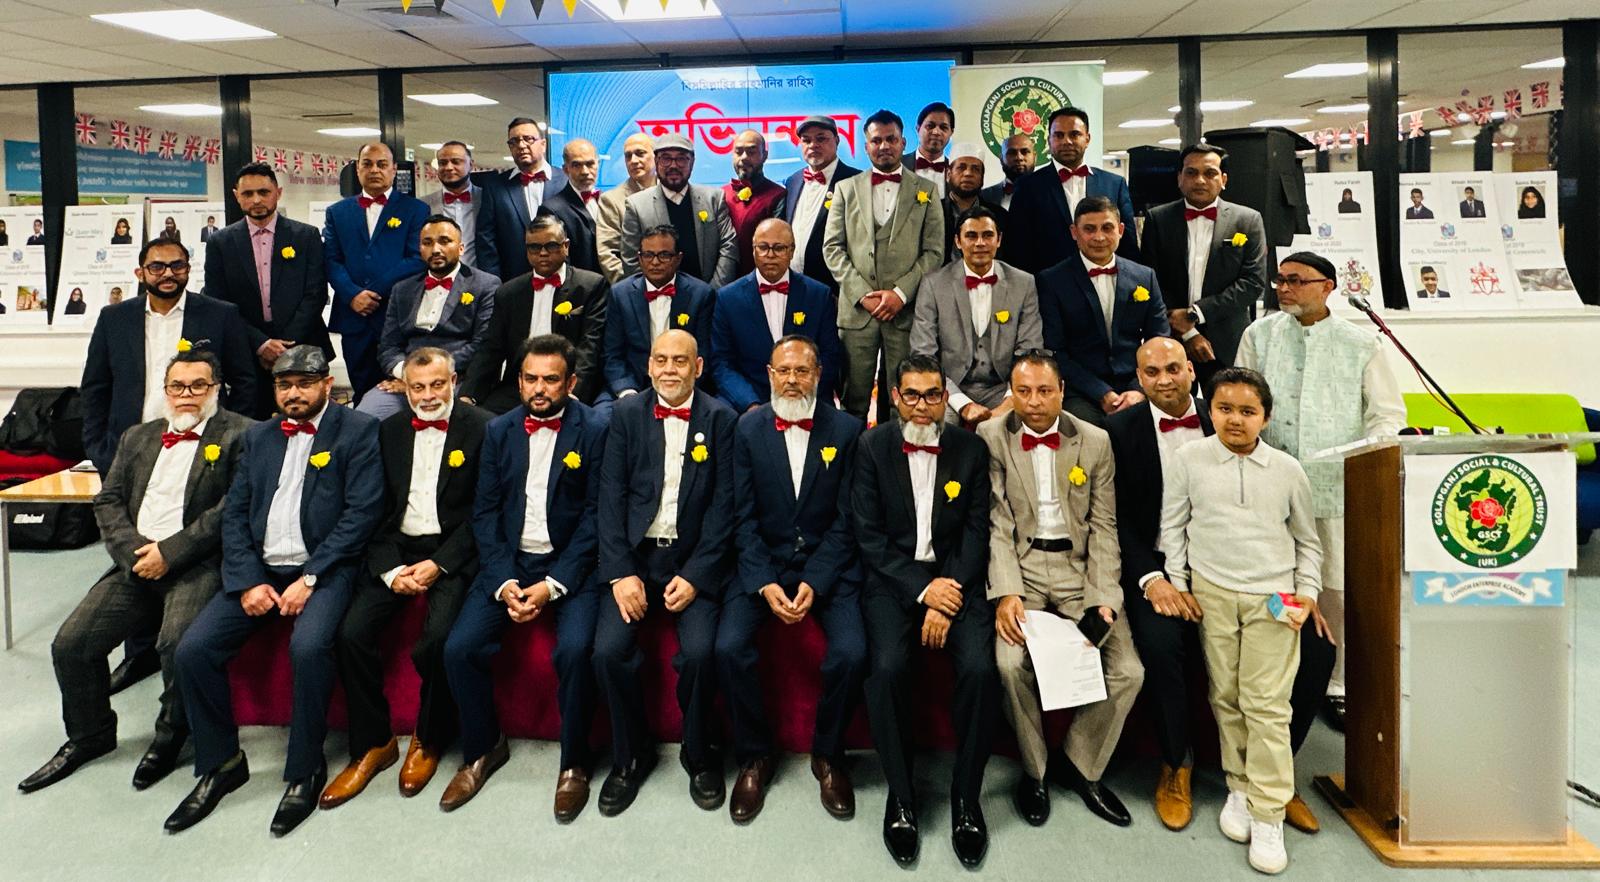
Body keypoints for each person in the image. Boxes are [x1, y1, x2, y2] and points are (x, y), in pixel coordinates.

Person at [1106, 337, 1335, 836]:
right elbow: (1116, 520)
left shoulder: (1230, 413)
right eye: (1150, 372)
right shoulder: (1119, 431)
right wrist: (1157, 581)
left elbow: (1299, 534)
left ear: (1192, 371)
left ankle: (1275, 775)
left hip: (1260, 578)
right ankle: (1177, 764)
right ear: (1137, 379)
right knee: (1162, 644)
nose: (1164, 379)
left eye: (1173, 368)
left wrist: (1306, 591)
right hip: (1161, 567)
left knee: (1318, 648)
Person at [166, 346, 383, 837]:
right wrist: (247, 580)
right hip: (261, 569)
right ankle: (221, 763)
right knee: (193, 651)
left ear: (327, 385)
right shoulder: (258, 437)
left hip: (325, 569)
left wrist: (310, 578)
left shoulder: (358, 430)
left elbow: (362, 514)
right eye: (285, 385)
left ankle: (305, 768)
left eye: (305, 383)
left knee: (308, 647)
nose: (294, 393)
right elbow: (235, 515)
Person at [17, 351, 251, 795]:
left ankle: (171, 736)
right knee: (71, 644)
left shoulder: (242, 434)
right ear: (165, 391)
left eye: (198, 385)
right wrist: (134, 551)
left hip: (197, 563)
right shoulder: (138, 436)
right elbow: (108, 501)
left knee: (177, 645)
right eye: (177, 386)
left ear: (216, 389)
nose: (186, 394)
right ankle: (90, 735)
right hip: (137, 561)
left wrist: (170, 552)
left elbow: (232, 508)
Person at [1157, 366, 1323, 875]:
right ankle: (1239, 785)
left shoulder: (1288, 470)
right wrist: (1180, 583)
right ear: (1209, 411)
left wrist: (1307, 592)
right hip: (1212, 593)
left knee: (1266, 704)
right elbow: (1173, 526)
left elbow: (1308, 542)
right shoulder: (1189, 460)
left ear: (1265, 418)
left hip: (1274, 597)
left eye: (1248, 411)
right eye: (1225, 408)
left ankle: (1269, 812)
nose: (1235, 419)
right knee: (1226, 696)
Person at [438, 335, 608, 818]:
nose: (539, 388)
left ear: (570, 383)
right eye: (530, 378)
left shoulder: (596, 429)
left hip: (570, 566)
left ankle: (574, 762)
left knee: (575, 651)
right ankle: (484, 747)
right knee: (459, 648)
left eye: (551, 379)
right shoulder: (499, 430)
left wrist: (553, 585)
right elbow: (485, 511)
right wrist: (503, 580)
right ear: (518, 381)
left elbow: (597, 517)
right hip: (508, 564)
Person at [1236, 252, 1406, 732]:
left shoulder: (1361, 342)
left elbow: (1387, 414)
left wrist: (1364, 456)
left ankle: (1336, 683)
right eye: (1280, 280)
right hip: (1268, 483)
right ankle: (1279, 674)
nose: (1284, 289)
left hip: (1333, 487)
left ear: (1327, 286)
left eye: (1296, 281)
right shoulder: (1259, 335)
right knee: (1271, 580)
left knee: (1333, 587)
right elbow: (1239, 398)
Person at [321, 349, 490, 811]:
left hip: (452, 551)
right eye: (418, 387)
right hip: (396, 550)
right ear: (405, 389)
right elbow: (371, 507)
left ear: (453, 381)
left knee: (437, 640)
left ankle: (428, 737)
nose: (428, 395)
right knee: (351, 633)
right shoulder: (387, 431)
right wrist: (391, 569)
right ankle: (374, 742)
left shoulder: (483, 428)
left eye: (437, 385)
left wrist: (441, 564)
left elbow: (485, 512)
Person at [982, 352, 1142, 830]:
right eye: (1023, 392)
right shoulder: (991, 435)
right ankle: (1035, 771)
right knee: (1009, 664)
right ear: (1011, 393)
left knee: (1129, 671)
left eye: (1044, 391)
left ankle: (1080, 764)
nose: (1034, 402)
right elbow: (996, 522)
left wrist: (1104, 597)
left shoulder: (1095, 440)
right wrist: (1006, 591)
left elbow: (1105, 526)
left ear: (1062, 391)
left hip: (1079, 570)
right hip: (1023, 569)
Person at [852, 355, 996, 869]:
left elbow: (977, 531)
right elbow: (869, 537)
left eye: (932, 395)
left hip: (957, 580)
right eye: (911, 394)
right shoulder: (871, 447)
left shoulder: (970, 449)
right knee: (887, 668)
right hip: (894, 582)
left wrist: (947, 591)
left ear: (944, 399)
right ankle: (902, 793)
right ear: (895, 397)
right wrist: (923, 590)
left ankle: (966, 796)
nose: (921, 405)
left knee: (981, 670)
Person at [716, 335, 866, 823]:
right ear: (769, 373)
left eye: (802, 371)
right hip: (763, 564)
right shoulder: (746, 428)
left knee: (852, 653)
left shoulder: (847, 430)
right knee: (728, 647)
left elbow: (848, 520)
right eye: (783, 371)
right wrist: (764, 581)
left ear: (819, 374)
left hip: (828, 566)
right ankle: (755, 755)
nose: (792, 380)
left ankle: (828, 753)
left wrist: (816, 581)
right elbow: (740, 517)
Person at [593, 330, 737, 816]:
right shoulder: (626, 416)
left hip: (692, 560)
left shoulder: (721, 419)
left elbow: (724, 509)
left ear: (698, 368)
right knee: (607, 652)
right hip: (635, 559)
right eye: (661, 360)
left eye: (680, 360)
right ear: (649, 366)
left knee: (700, 653)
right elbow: (609, 498)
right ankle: (630, 755)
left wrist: (696, 575)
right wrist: (620, 574)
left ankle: (699, 754)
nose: (670, 369)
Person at [81, 237, 256, 476]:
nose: (168, 273)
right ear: (140, 273)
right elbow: (95, 388)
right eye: (157, 267)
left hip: (204, 451)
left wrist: (230, 439)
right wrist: (98, 449)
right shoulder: (114, 318)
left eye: (177, 266)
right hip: (127, 451)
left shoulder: (220, 315)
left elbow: (245, 383)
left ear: (188, 269)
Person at [822, 108, 945, 422]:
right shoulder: (846, 189)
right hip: (857, 315)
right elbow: (832, 248)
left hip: (904, 314)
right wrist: (863, 294)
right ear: (866, 146)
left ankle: (896, 453)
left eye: (891, 139)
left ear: (903, 142)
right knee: (852, 401)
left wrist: (900, 294)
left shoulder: (927, 190)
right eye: (876, 140)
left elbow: (934, 252)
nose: (884, 146)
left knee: (902, 399)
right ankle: (850, 454)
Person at [203, 161, 331, 420]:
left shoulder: (305, 236)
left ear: (278, 193)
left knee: (309, 424)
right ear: (237, 196)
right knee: (251, 427)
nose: (257, 200)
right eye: (248, 193)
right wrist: (261, 344)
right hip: (247, 352)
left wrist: (284, 346)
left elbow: (316, 293)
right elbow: (217, 301)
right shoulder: (220, 243)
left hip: (303, 346)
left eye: (264, 192)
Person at [1139, 144, 1268, 389]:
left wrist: (1195, 314)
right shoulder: (1158, 219)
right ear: (1179, 178)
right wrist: (1186, 331)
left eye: (1209, 173)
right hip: (1170, 337)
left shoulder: (1248, 220)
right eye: (1191, 172)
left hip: (1227, 339)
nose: (1200, 180)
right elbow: (1150, 279)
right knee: (1170, 406)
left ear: (1223, 180)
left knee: (1227, 405)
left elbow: (1253, 283)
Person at [1036, 195, 1171, 426]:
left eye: (1107, 228)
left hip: (1136, 382)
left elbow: (1158, 339)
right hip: (1081, 390)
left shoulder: (1145, 276)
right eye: (1089, 229)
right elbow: (1055, 352)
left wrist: (1138, 389)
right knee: (1086, 430)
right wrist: (1101, 393)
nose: (1099, 237)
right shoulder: (1051, 281)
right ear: (1074, 232)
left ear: (1120, 230)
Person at [910, 205, 1041, 426]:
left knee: (1025, 420)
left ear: (999, 240)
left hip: (1004, 388)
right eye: (971, 236)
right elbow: (923, 354)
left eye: (987, 235)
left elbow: (1030, 350)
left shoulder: (1024, 283)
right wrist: (963, 404)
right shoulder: (933, 284)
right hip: (949, 388)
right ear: (958, 242)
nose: (980, 243)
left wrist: (1009, 401)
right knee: (937, 423)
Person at [463, 214, 610, 411]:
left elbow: (589, 348)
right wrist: (468, 394)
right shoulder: (508, 292)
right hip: (518, 386)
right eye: (534, 247)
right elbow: (491, 349)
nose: (543, 253)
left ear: (566, 246)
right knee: (481, 421)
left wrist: (573, 391)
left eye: (551, 246)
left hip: (566, 384)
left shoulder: (590, 286)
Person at [360, 215, 499, 419]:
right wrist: (409, 376)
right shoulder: (402, 289)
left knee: (462, 422)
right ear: (420, 249)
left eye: (444, 241)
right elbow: (388, 347)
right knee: (366, 417)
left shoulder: (485, 285)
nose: (435, 249)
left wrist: (428, 376)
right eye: (427, 243)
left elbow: (481, 346)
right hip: (406, 378)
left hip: (458, 378)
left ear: (461, 248)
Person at [322, 142, 429, 402]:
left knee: (403, 389)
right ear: (357, 169)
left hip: (396, 312)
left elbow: (416, 259)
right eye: (367, 164)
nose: (374, 170)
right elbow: (331, 260)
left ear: (393, 169)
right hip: (353, 315)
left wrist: (373, 292)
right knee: (361, 390)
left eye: (382, 164)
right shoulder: (337, 212)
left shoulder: (416, 209)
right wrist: (353, 294)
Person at [710, 218, 841, 412]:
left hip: (806, 395)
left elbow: (830, 356)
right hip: (751, 398)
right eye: (763, 247)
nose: (770, 255)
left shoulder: (819, 295)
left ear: (792, 251)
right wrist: (751, 403)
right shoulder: (727, 298)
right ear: (753, 250)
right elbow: (722, 363)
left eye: (779, 248)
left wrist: (800, 393)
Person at [1008, 107, 1138, 274]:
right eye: (1059, 135)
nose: (1067, 141)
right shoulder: (1027, 186)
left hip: (1106, 279)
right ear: (1049, 141)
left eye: (1074, 134)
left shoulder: (1114, 184)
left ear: (1087, 139)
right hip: (1048, 283)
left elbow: (1128, 243)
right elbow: (1018, 246)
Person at [603, 225, 716, 401]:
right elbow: (612, 355)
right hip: (633, 385)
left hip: (684, 386)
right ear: (639, 258)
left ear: (678, 259)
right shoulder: (620, 294)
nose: (655, 262)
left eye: (664, 255)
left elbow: (703, 355)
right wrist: (627, 392)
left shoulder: (700, 295)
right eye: (648, 255)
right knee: (601, 415)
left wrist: (679, 392)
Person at [620, 134, 738, 288]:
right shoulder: (636, 205)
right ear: (656, 161)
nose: (673, 165)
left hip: (710, 294)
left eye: (681, 159)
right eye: (666, 159)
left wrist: (712, 292)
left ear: (692, 162)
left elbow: (729, 246)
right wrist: (657, 295)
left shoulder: (713, 198)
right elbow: (631, 260)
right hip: (658, 298)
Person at [477, 117, 566, 281]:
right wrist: (493, 284)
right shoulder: (495, 187)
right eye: (514, 141)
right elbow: (486, 241)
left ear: (543, 144)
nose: (521, 145)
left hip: (563, 279)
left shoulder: (565, 181)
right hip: (513, 282)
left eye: (528, 139)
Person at [783, 115, 861, 296]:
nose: (813, 145)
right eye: (806, 140)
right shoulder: (793, 181)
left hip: (836, 291)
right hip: (793, 288)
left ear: (837, 140)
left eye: (821, 139)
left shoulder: (856, 181)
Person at [722, 130, 787, 276]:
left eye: (751, 152)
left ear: (765, 155)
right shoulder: (720, 195)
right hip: (723, 281)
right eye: (738, 152)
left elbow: (775, 246)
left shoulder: (778, 195)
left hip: (761, 280)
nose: (744, 158)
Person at [597, 133, 657, 283]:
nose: (633, 161)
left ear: (656, 156)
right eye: (628, 156)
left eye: (640, 153)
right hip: (633, 287)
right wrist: (633, 287)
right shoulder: (611, 200)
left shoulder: (670, 192)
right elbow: (607, 255)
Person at [539, 139, 603, 274]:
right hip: (581, 285)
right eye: (576, 165)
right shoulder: (551, 209)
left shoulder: (608, 201)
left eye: (590, 164)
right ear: (565, 169)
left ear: (598, 164)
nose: (585, 171)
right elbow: (557, 261)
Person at [941, 142, 1009, 264]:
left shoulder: (1000, 216)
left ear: (982, 178)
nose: (968, 173)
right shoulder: (933, 210)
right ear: (948, 174)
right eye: (961, 167)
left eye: (975, 169)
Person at [422, 141, 482, 268]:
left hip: (483, 276)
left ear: (471, 165)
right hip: (438, 275)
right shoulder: (423, 205)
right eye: (442, 163)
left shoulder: (488, 199)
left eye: (456, 161)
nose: (448, 167)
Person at [903, 101, 955, 199]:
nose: (936, 132)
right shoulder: (897, 166)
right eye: (930, 126)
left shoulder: (955, 173)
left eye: (943, 128)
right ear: (918, 128)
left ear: (951, 132)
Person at [980, 133, 1036, 210]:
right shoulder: (983, 196)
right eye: (1012, 153)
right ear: (1001, 159)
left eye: (1025, 152)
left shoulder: (1050, 192)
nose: (1019, 157)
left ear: (1035, 157)